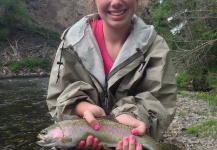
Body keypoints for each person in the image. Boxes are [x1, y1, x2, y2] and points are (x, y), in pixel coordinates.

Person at [46, 0, 177, 149]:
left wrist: (135, 117)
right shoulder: (70, 44)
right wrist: (79, 106)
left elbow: (159, 101)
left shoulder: (156, 48)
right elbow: (58, 98)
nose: (116, 2)